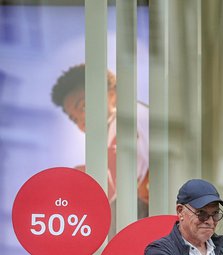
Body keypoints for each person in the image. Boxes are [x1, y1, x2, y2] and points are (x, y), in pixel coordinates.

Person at [51, 63, 149, 216]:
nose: (82, 121)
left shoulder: (126, 120)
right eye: (74, 119)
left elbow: (114, 186)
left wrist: (85, 177)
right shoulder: (113, 130)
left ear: (111, 95)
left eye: (83, 107)